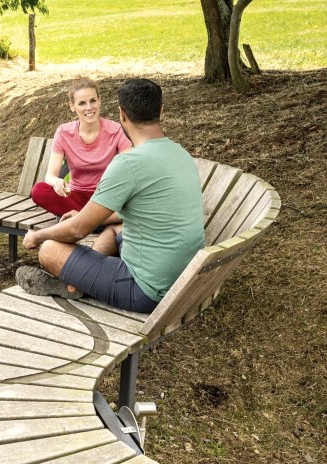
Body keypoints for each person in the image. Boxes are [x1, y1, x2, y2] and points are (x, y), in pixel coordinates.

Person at [16, 78, 205, 313]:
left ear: (122, 114)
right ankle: (81, 278)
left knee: (50, 250)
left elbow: (77, 231)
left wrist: (37, 236)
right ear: (161, 110)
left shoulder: (128, 162)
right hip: (183, 276)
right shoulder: (180, 153)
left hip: (146, 290)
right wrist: (83, 214)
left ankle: (78, 280)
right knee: (114, 228)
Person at [30, 77, 132, 217]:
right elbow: (50, 175)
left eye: (93, 101)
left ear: (99, 100)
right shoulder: (64, 132)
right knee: (38, 190)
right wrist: (57, 182)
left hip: (106, 198)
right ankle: (91, 221)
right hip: (76, 196)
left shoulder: (115, 130)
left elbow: (130, 170)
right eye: (82, 103)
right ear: (72, 106)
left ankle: (81, 219)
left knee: (132, 199)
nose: (89, 108)